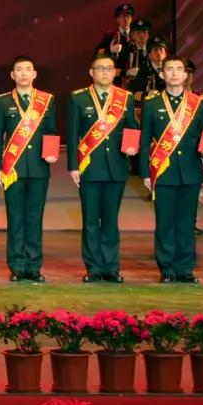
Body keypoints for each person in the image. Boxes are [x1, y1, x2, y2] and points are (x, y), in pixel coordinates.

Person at [67, 54, 139, 283]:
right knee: (90, 220)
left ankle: (111, 267)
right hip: (89, 167)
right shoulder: (79, 98)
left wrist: (132, 146)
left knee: (110, 220)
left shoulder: (125, 98)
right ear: (91, 72)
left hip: (116, 167)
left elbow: (132, 128)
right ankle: (93, 268)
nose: (105, 72)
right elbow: (72, 134)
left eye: (109, 68)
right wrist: (73, 166)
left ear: (115, 72)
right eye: (100, 68)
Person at [140, 56, 203, 283]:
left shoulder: (198, 103)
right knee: (165, 222)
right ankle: (167, 269)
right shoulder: (152, 103)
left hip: (190, 171)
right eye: (169, 69)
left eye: (179, 69)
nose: (174, 73)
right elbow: (144, 141)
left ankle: (185, 268)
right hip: (163, 171)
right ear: (162, 74)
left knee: (187, 223)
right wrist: (144, 173)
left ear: (185, 74)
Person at [0, 55, 57, 282]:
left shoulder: (47, 100)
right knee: (15, 218)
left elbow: (51, 131)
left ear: (34, 74)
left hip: (39, 168)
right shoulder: (3, 101)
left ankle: (34, 266)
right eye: (19, 69)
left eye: (28, 69)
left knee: (35, 218)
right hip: (13, 169)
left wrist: (52, 152)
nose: (23, 73)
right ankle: (17, 266)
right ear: (12, 75)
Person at [94, 3, 134, 71]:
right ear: (118, 19)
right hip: (115, 73)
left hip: (132, 73)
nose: (126, 19)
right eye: (123, 16)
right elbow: (96, 52)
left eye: (128, 16)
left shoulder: (136, 35)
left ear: (131, 19)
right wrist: (110, 50)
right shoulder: (111, 35)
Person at [115, 18, 150, 89]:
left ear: (148, 35)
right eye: (138, 33)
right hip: (131, 90)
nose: (142, 36)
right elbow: (114, 71)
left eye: (144, 32)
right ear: (133, 35)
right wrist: (127, 73)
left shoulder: (153, 51)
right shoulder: (127, 51)